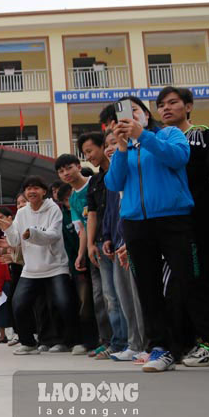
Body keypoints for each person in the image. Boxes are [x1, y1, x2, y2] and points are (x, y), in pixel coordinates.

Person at [103, 96, 209, 373]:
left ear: (146, 114)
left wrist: (143, 136)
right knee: (147, 289)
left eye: (134, 110)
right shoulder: (123, 148)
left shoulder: (168, 134)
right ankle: (160, 348)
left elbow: (178, 158)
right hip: (136, 224)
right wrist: (123, 148)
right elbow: (114, 183)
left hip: (173, 217)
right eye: (122, 116)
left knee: (189, 280)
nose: (129, 118)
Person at [155, 86, 209, 372]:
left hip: (204, 219)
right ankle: (189, 343)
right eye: (161, 104)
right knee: (182, 286)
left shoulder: (202, 135)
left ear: (188, 106)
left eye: (173, 102)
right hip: (174, 224)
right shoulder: (159, 141)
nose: (166, 108)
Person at [0, 175, 80, 355]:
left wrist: (30, 234)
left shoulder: (53, 210)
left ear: (44, 191)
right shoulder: (22, 212)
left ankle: (70, 341)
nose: (31, 191)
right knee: (18, 304)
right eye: (28, 188)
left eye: (36, 188)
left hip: (55, 266)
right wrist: (8, 229)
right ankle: (28, 342)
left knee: (64, 303)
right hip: (31, 269)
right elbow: (15, 241)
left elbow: (53, 235)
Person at [55, 153, 111, 356]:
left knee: (113, 296)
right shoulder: (75, 197)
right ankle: (107, 341)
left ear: (79, 166)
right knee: (99, 297)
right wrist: (82, 253)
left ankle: (124, 341)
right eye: (61, 171)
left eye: (68, 168)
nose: (66, 173)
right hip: (92, 250)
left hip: (108, 242)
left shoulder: (97, 182)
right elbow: (82, 229)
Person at [97, 130, 145, 362]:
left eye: (114, 143)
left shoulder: (134, 169)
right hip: (117, 243)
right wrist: (107, 236)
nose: (109, 148)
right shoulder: (112, 178)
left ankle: (147, 343)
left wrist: (129, 239)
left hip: (135, 240)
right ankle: (134, 343)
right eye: (107, 144)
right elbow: (109, 212)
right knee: (124, 297)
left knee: (139, 297)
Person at [80, 132, 129, 359]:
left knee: (124, 295)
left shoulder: (121, 173)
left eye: (90, 151)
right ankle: (117, 342)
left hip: (123, 240)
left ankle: (131, 342)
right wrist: (90, 244)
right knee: (110, 297)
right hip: (102, 243)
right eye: (85, 153)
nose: (88, 156)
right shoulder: (96, 181)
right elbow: (92, 215)